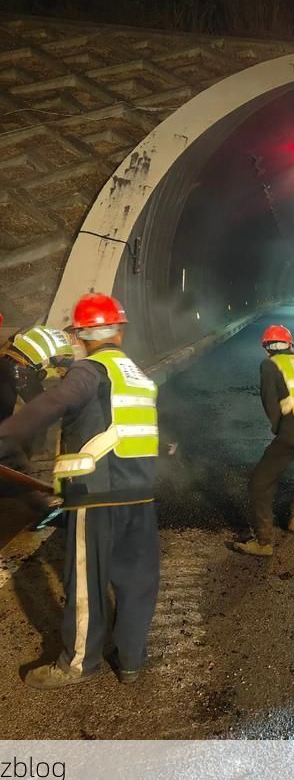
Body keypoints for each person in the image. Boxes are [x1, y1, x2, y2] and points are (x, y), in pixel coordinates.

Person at [0, 293, 160, 689]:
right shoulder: (135, 372)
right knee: (137, 581)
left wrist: (4, 436)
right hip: (140, 495)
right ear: (118, 331)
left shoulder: (89, 370)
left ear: (81, 335)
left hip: (97, 494)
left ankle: (77, 664)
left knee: (86, 585)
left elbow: (50, 406)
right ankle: (130, 661)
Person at [233, 324, 294, 557]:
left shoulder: (270, 365)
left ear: (267, 349)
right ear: (292, 345)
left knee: (260, 481)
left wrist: (279, 429)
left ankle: (264, 542)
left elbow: (270, 402)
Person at [0, 324, 75, 427]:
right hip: (20, 370)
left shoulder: (47, 331)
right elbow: (63, 363)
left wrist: (45, 373)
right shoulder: (62, 343)